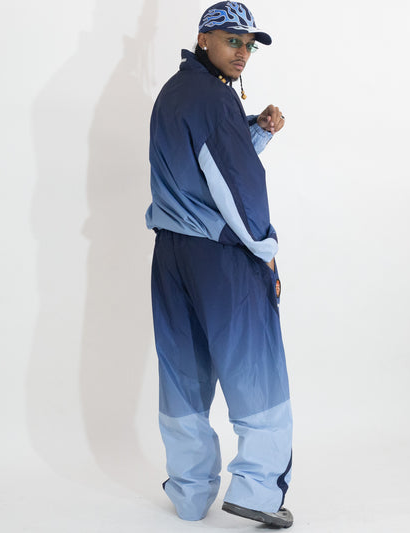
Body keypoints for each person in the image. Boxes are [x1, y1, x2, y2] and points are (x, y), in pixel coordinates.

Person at [145, 2, 293, 528]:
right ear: (204, 38)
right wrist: (265, 251)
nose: (243, 53)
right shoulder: (214, 98)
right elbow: (235, 183)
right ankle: (258, 491)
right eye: (233, 41)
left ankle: (189, 493)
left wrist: (256, 132)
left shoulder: (175, 91)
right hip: (221, 257)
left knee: (183, 370)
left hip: (172, 254)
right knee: (256, 368)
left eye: (249, 45)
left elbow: (200, 164)